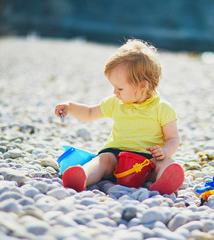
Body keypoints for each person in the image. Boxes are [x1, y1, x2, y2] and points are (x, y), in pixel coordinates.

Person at [54, 39, 184, 195]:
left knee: (165, 163)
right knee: (103, 160)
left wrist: (164, 151)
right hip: (117, 157)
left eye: (120, 88)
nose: (115, 92)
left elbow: (173, 139)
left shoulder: (162, 108)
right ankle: (83, 175)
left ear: (142, 85)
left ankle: (166, 180)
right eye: (114, 87)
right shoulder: (115, 103)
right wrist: (71, 106)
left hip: (148, 159)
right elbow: (89, 112)